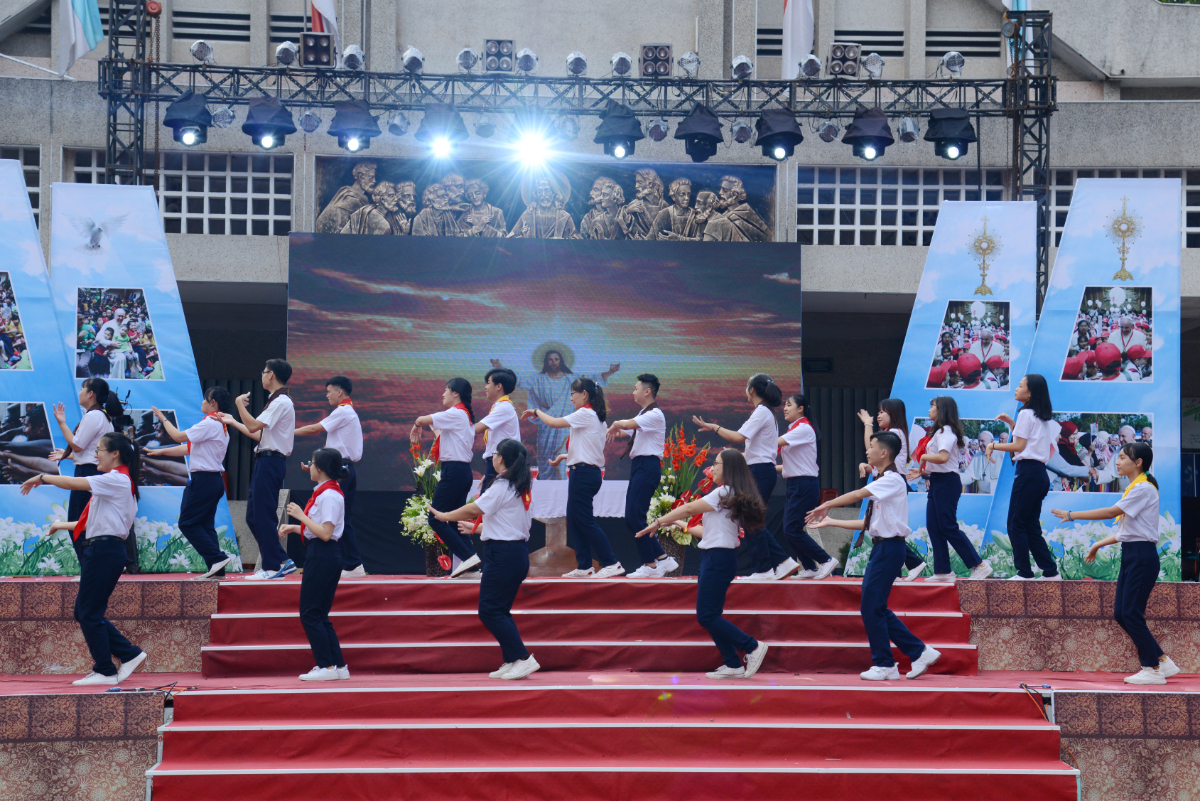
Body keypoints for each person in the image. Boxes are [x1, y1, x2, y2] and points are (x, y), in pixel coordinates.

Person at [807, 432, 942, 681]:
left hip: (889, 549)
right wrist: (831, 521)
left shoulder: (892, 480)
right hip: (883, 548)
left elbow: (858, 494)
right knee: (874, 607)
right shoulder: (884, 481)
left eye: (871, 446)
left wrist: (826, 504)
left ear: (884, 453)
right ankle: (916, 652)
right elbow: (869, 524)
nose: (867, 451)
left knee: (872, 607)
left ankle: (889, 662)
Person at [22, 432, 148, 685]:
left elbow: (73, 483)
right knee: (84, 612)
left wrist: (42, 477)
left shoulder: (117, 480)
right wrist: (61, 524)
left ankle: (106, 670)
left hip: (104, 551)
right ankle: (128, 654)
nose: (95, 455)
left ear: (115, 454)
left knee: (89, 612)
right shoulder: (117, 482)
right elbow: (92, 522)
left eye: (99, 450)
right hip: (102, 549)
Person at [1051, 442, 1179, 685]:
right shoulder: (1135, 488)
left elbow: (1111, 513)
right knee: (1122, 613)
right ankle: (1162, 661)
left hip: (1141, 555)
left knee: (1131, 612)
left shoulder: (1143, 488)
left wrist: (1071, 515)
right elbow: (1127, 532)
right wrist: (1097, 545)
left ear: (1138, 462)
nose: (1117, 462)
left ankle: (1151, 669)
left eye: (1121, 458)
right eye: (1117, 457)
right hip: (1132, 553)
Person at [637, 448, 769, 679]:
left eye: (716, 463)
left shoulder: (724, 492)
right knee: (710, 615)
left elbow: (689, 508)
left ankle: (752, 646)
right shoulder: (730, 493)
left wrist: (658, 521)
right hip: (716, 556)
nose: (712, 468)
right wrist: (677, 523)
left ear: (728, 468)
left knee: (707, 615)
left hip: (718, 558)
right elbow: (706, 532)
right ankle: (733, 664)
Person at [430, 438, 540, 680]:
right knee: (499, 609)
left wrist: (445, 515)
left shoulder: (503, 485)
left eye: (496, 453)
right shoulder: (520, 486)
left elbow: (474, 508)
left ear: (501, 459)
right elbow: (509, 523)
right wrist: (477, 529)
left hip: (504, 555)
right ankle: (512, 659)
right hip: (513, 553)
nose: (493, 457)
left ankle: (523, 658)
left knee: (489, 610)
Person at [692, 374, 799, 581]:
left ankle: (765, 569)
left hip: (760, 471)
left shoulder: (761, 412)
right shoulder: (765, 411)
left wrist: (714, 427)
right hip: (760, 470)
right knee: (751, 519)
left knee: (751, 520)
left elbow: (738, 437)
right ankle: (781, 562)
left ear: (752, 390)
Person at [523, 377, 624, 578]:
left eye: (572, 394)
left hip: (584, 474)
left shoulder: (585, 413)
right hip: (585, 472)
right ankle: (585, 565)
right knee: (575, 519)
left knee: (584, 520)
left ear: (584, 394)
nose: (570, 398)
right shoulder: (595, 417)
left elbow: (553, 422)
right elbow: (586, 449)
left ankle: (611, 562)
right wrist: (563, 457)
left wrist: (536, 411)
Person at [143, 388, 234, 579]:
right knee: (205, 525)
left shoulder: (210, 422)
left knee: (187, 523)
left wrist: (163, 418)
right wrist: (160, 452)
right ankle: (217, 568)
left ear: (213, 403)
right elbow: (188, 448)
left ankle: (217, 558)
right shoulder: (221, 425)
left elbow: (178, 436)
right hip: (213, 480)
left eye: (205, 400)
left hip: (203, 480)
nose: (202, 402)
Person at [278, 448, 350, 681]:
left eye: (312, 463)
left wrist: (300, 516)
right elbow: (319, 530)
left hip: (323, 554)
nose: (309, 466)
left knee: (309, 613)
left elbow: (326, 534)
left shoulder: (328, 495)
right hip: (324, 553)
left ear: (321, 469)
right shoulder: (328, 492)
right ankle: (338, 666)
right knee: (319, 613)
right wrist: (295, 527)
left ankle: (326, 667)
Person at [490, 349, 619, 479]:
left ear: (561, 361)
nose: (553, 362)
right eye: (550, 359)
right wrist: (500, 367)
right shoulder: (538, 379)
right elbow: (518, 380)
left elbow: (593, 379)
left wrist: (610, 372)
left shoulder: (571, 379)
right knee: (546, 462)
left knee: (563, 467)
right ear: (546, 362)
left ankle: (562, 487)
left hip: (565, 427)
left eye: (556, 359)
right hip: (546, 429)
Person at [221, 359, 296, 580]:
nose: (262, 376)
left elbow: (253, 425)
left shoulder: (281, 401)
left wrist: (238, 405)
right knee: (253, 516)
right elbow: (259, 434)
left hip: (271, 462)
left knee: (263, 515)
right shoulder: (277, 400)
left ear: (271, 374)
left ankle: (272, 567)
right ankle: (282, 559)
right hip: (265, 461)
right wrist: (233, 421)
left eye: (264, 372)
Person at [906, 396, 991, 581]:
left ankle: (979, 565)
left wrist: (924, 459)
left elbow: (943, 457)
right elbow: (942, 462)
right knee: (934, 526)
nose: (929, 410)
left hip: (947, 482)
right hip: (938, 480)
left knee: (947, 526)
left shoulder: (946, 431)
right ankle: (943, 571)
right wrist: (922, 471)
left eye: (932, 407)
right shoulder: (939, 431)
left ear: (941, 410)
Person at [987, 374, 1061, 580]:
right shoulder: (1039, 416)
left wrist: (993, 445)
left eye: (1020, 386)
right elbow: (1027, 442)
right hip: (1038, 474)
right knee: (1030, 526)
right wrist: (1012, 423)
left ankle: (1024, 572)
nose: (1016, 388)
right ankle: (1050, 571)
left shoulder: (1026, 414)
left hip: (1028, 473)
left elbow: (1019, 446)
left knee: (1015, 523)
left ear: (1030, 393)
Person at [607, 373, 679, 578]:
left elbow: (625, 425)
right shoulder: (644, 413)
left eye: (636, 388)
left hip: (648, 466)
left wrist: (616, 423)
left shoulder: (655, 414)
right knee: (632, 518)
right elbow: (623, 432)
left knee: (635, 517)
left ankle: (651, 565)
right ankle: (662, 559)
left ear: (647, 391)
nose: (633, 392)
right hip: (639, 466)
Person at [295, 376, 366, 579]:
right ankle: (352, 564)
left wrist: (287, 432)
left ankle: (351, 564)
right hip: (342, 467)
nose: (327, 395)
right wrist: (314, 466)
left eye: (329, 391)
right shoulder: (348, 411)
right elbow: (330, 447)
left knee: (335, 519)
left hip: (340, 468)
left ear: (339, 392)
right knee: (343, 519)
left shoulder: (343, 411)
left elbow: (314, 428)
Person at [49, 379, 123, 568]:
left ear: (91, 394)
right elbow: (89, 451)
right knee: (90, 523)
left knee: (78, 522)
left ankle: (89, 568)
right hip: (95, 472)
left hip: (87, 472)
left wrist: (62, 423)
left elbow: (78, 445)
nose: (80, 391)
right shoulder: (102, 416)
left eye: (83, 388)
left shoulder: (93, 416)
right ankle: (96, 567)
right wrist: (68, 455)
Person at [412, 378, 480, 578]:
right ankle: (472, 568)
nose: (443, 394)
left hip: (454, 472)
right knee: (455, 521)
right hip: (462, 471)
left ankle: (468, 557)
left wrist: (417, 425)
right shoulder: (464, 416)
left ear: (456, 393)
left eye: (446, 390)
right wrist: (426, 425)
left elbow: (422, 419)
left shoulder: (456, 413)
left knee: (436, 519)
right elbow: (440, 431)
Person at [857, 399, 927, 580]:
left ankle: (913, 563)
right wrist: (867, 466)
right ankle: (901, 569)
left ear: (894, 414)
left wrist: (867, 424)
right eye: (878, 412)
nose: (879, 415)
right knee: (886, 527)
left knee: (888, 529)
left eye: (883, 412)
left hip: (892, 483)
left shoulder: (894, 433)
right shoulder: (894, 432)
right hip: (888, 482)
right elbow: (875, 460)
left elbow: (870, 446)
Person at [775, 393, 839, 580]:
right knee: (789, 530)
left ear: (801, 408)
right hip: (796, 483)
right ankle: (810, 567)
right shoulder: (795, 429)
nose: (785, 408)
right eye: (785, 405)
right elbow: (791, 465)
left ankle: (826, 560)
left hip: (804, 484)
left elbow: (773, 443)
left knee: (791, 529)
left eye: (789, 405)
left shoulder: (803, 428)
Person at [474, 367, 521, 486]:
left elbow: (477, 428)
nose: (485, 387)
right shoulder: (502, 406)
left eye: (488, 383)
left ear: (498, 386)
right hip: (498, 463)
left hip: (502, 462)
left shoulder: (503, 407)